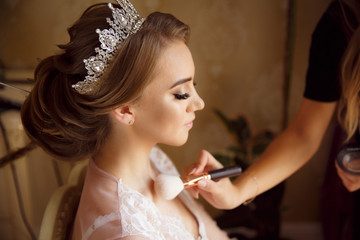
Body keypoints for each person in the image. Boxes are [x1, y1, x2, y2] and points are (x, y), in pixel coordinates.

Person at [19, 0, 232, 239]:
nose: (199, 103)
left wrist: (234, 195)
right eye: (181, 93)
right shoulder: (123, 232)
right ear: (124, 110)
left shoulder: (154, 160)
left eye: (194, 85)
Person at [184, 0, 360, 239]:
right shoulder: (340, 23)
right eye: (179, 93)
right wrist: (236, 192)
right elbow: (303, 136)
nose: (199, 104)